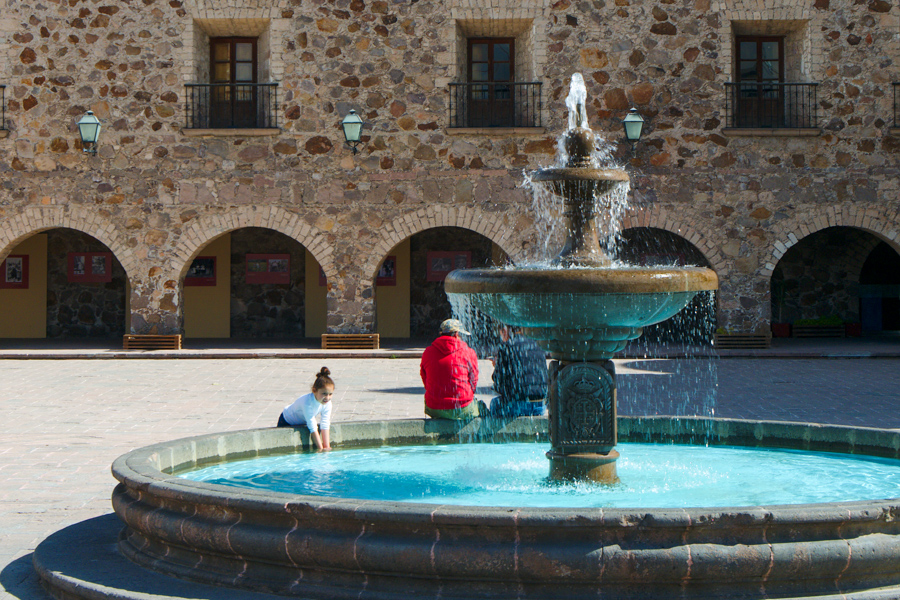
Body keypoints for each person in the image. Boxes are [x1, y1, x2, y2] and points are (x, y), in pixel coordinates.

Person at [420, 318, 481, 420]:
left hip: (434, 408)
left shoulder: (428, 352)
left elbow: (425, 377)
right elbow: (473, 380)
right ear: (456, 334)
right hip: (462, 408)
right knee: (480, 407)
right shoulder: (469, 352)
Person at [489, 325, 548, 418]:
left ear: (506, 330)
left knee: (494, 404)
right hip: (540, 405)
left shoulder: (507, 347)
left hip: (519, 406)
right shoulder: (537, 345)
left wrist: (497, 365)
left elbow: (498, 382)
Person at [277, 366, 334, 451]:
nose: (327, 397)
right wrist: (320, 449)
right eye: (324, 394)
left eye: (330, 394)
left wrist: (327, 447)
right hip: (285, 421)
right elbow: (312, 426)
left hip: (302, 422)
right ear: (314, 390)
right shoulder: (307, 403)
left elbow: (325, 423)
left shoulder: (327, 403)